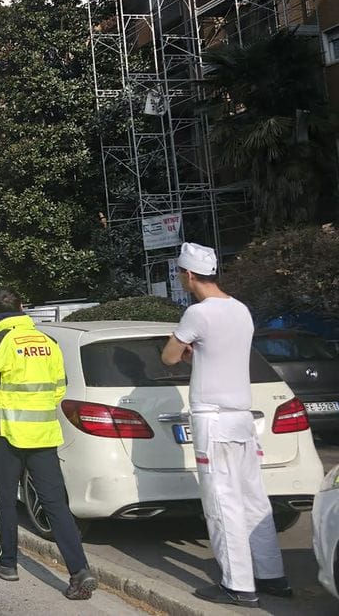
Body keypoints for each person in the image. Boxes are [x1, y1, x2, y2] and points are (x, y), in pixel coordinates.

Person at [161, 242, 291, 608]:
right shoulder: (241, 310)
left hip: (212, 417)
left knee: (221, 501)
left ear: (188, 275)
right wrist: (198, 355)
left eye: (180, 274)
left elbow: (168, 357)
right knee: (253, 498)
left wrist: (185, 350)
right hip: (241, 416)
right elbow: (222, 356)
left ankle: (238, 584)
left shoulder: (197, 313)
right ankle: (272, 575)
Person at [0, 287, 97, 599]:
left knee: (5, 501)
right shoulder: (47, 341)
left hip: (8, 434)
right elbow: (59, 387)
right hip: (43, 433)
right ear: (22, 307)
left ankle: (7, 563)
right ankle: (79, 570)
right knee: (55, 504)